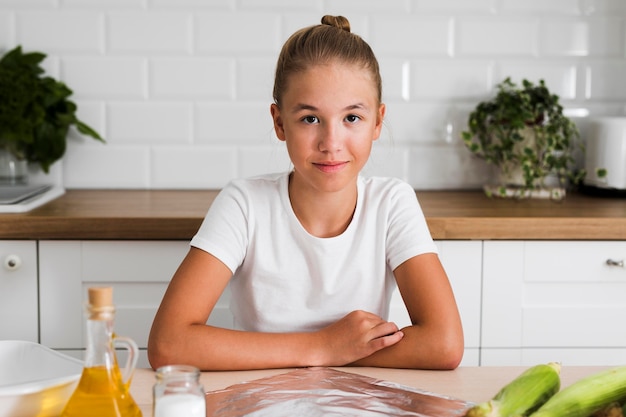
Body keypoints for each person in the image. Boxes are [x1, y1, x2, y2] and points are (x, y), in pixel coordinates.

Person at [148, 15, 464, 371]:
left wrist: (332, 351)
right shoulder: (245, 204)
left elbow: (444, 344)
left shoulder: (392, 203)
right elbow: (168, 344)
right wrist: (322, 348)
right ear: (279, 122)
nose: (331, 143)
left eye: (352, 118)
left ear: (378, 121)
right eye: (310, 119)